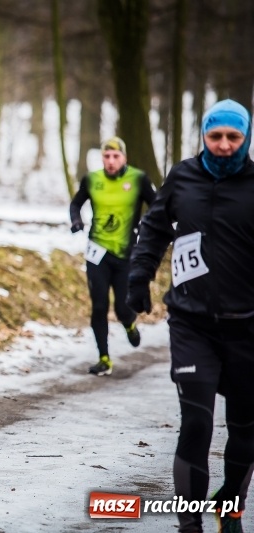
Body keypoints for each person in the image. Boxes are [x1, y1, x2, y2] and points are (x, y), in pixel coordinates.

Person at [128, 99, 254, 533]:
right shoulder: (183, 176)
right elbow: (156, 228)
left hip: (248, 327)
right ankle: (189, 524)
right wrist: (138, 278)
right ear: (204, 136)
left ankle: (230, 508)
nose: (222, 145)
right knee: (197, 421)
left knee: (245, 431)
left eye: (232, 137)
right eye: (214, 136)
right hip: (192, 323)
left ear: (246, 138)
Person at [69, 136, 156, 376]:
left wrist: (145, 229)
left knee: (121, 307)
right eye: (106, 156)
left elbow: (157, 206)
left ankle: (129, 324)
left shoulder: (138, 179)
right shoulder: (92, 180)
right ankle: (104, 358)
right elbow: (75, 204)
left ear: (124, 158)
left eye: (115, 156)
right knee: (98, 305)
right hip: (97, 252)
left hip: (126, 254)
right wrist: (76, 220)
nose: (110, 161)